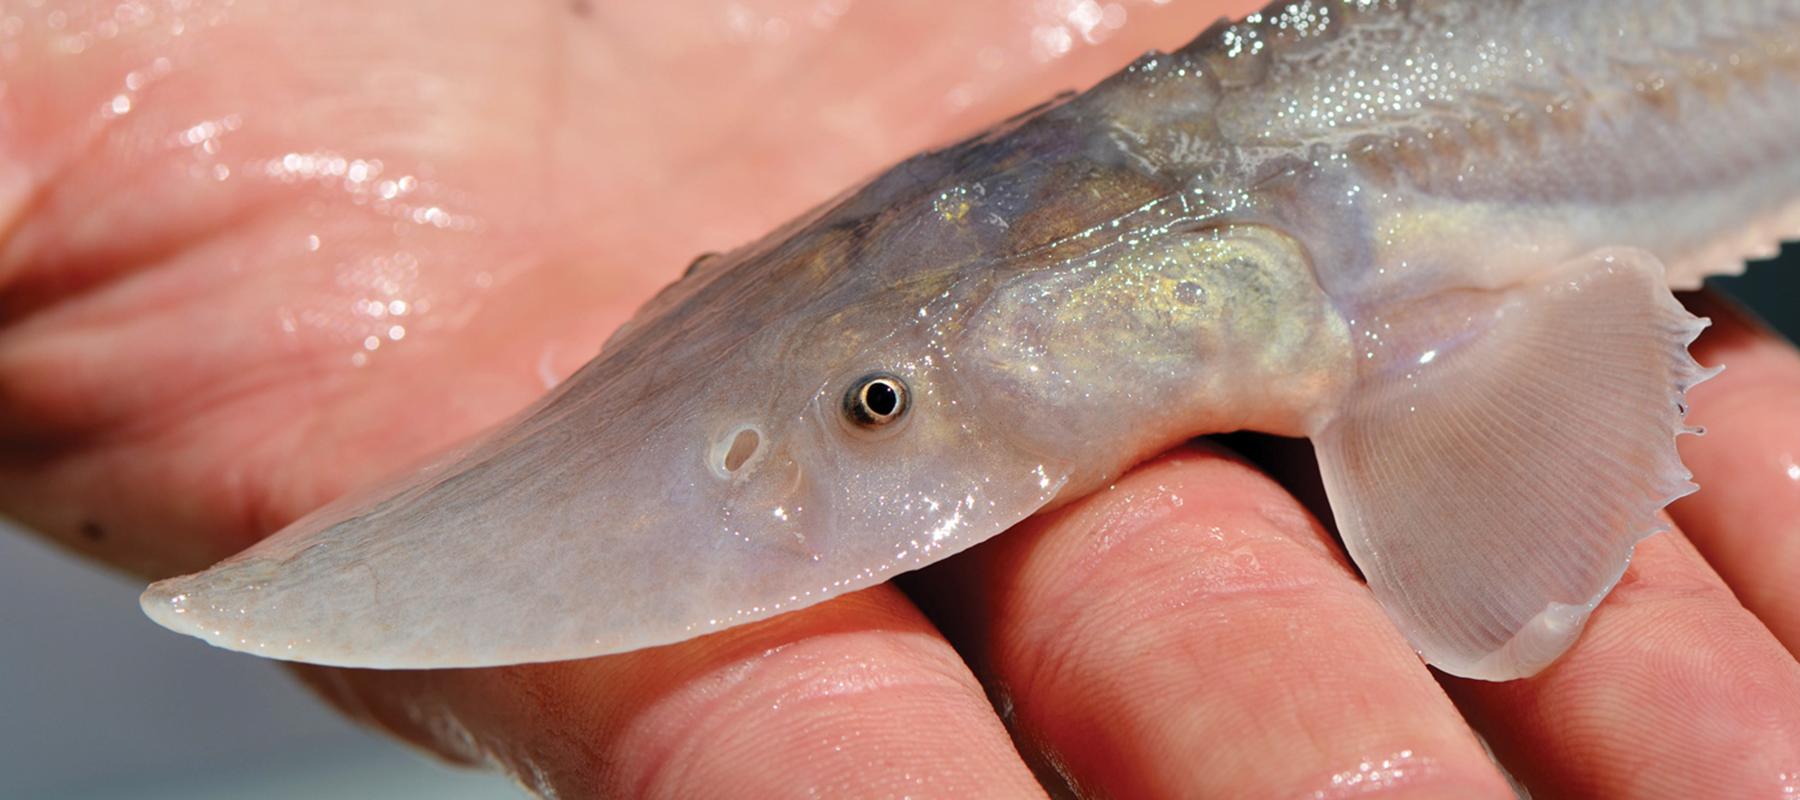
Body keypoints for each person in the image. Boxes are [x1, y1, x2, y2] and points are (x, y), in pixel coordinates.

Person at [4, 1, 1798, 796]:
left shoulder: (1353, 271)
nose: (875, 421)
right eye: (878, 400)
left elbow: (1502, 572)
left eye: (876, 406)